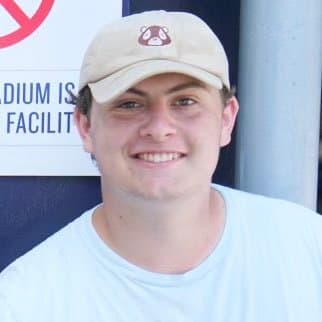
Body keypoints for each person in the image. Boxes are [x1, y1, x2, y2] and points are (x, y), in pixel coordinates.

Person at [0, 10, 321, 322]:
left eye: (185, 102)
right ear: (85, 127)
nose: (159, 127)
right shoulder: (24, 302)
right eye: (129, 104)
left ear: (226, 120)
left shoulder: (308, 252)